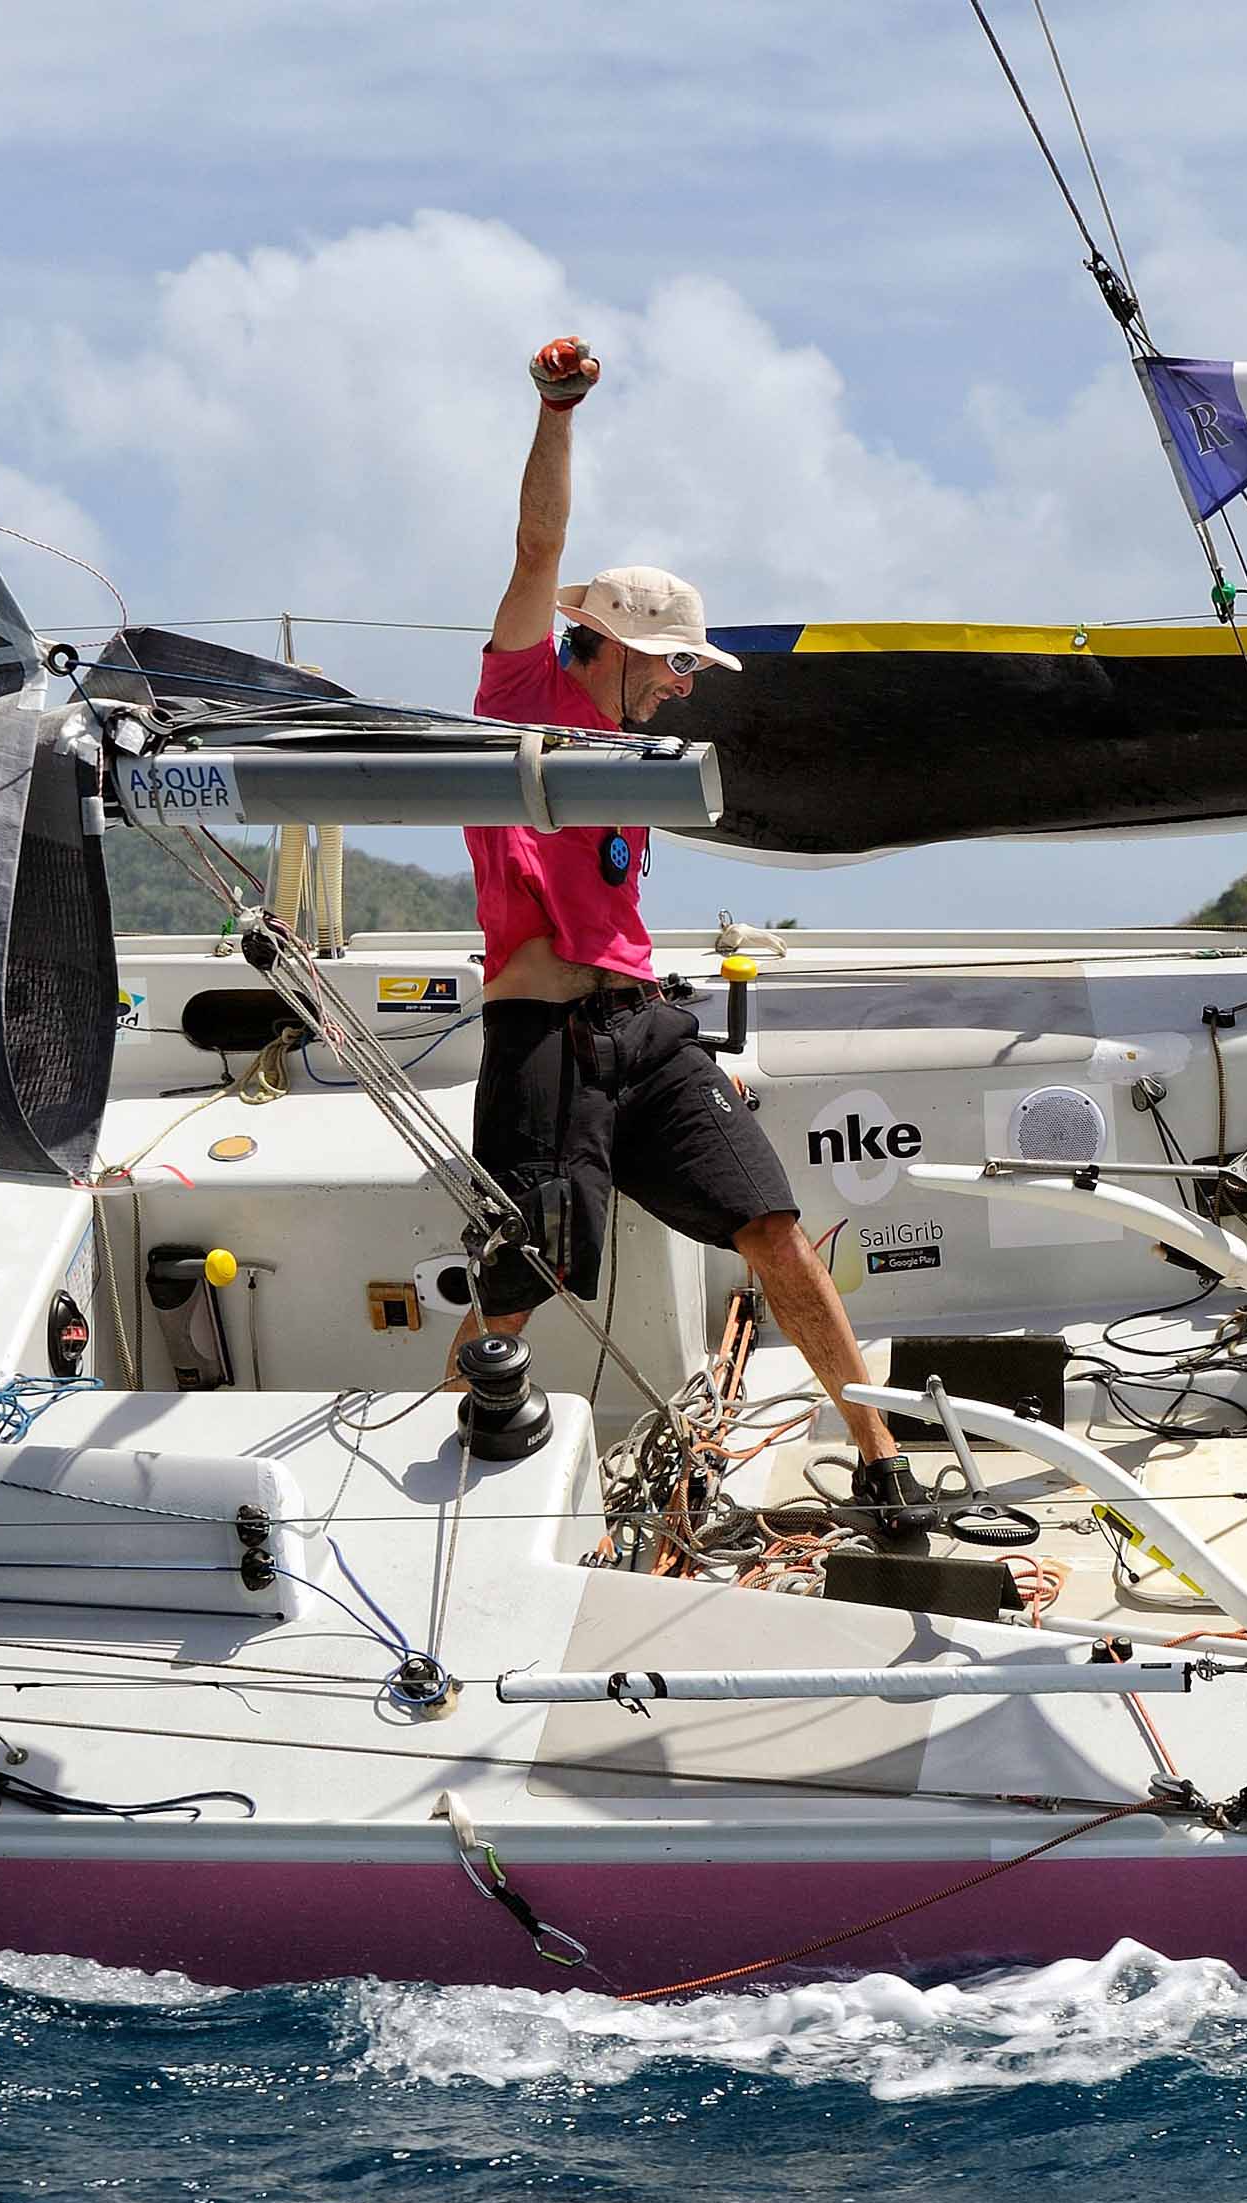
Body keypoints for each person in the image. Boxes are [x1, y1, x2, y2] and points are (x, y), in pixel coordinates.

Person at [451, 334, 934, 1535]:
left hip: (642, 1026)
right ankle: (450, 1457)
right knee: (535, 1266)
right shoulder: (523, 694)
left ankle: (880, 1466)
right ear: (605, 644)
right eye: (667, 664)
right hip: (544, 1029)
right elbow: (535, 551)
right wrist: (558, 412)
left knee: (771, 1226)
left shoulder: (634, 750)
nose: (680, 685)